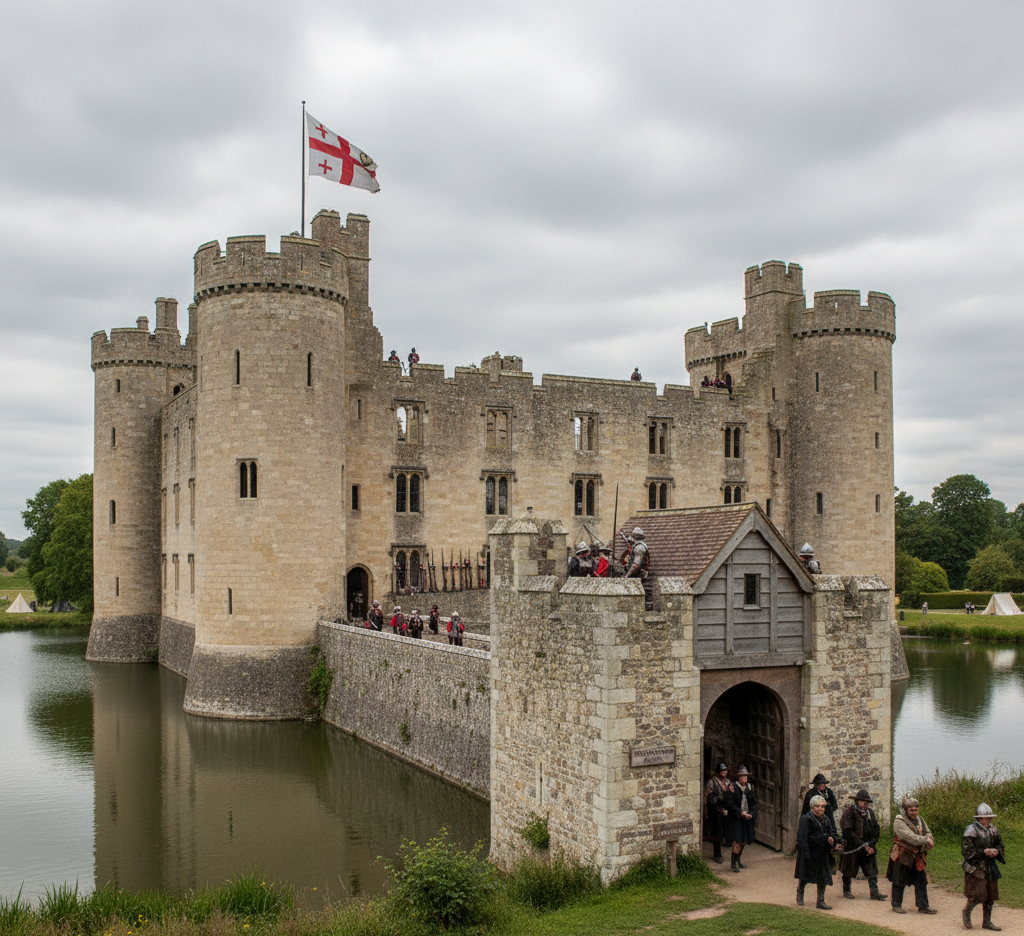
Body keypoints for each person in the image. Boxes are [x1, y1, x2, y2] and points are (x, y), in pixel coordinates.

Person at [886, 796, 936, 914]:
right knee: (899, 880)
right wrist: (925, 840)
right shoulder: (899, 821)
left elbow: (928, 832)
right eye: (911, 810)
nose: (914, 812)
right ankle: (896, 905)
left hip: (917, 855)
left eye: (916, 810)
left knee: (921, 880)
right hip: (902, 854)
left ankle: (923, 905)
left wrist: (929, 839)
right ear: (905, 810)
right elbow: (907, 836)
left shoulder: (920, 820)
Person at [962, 802, 1005, 930]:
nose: (987, 820)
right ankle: (966, 912)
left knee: (990, 895)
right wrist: (984, 852)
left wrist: (996, 852)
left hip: (990, 866)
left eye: (988, 818)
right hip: (975, 866)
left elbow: (999, 845)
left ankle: (986, 922)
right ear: (979, 818)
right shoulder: (971, 830)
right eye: (984, 818)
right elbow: (966, 850)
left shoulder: (993, 829)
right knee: (977, 894)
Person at [839, 790, 886, 901]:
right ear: (857, 801)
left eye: (866, 802)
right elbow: (847, 831)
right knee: (848, 870)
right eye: (862, 801)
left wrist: (871, 844)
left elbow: (876, 829)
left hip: (868, 847)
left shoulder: (870, 813)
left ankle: (874, 893)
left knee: (872, 870)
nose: (865, 803)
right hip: (852, 846)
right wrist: (861, 845)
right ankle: (847, 890)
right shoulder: (849, 812)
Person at [795, 794, 837, 909]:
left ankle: (820, 901)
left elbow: (830, 832)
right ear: (813, 807)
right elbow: (802, 838)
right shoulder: (806, 819)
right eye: (818, 806)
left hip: (822, 852)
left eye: (822, 807)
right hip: (809, 852)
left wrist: (831, 838)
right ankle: (800, 890)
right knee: (805, 876)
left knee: (823, 877)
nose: (820, 809)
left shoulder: (826, 819)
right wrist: (806, 854)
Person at [726, 766, 757, 872]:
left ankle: (738, 860)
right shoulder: (733, 787)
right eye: (743, 777)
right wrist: (740, 813)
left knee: (743, 841)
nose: (745, 779)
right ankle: (733, 863)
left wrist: (751, 814)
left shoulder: (749, 788)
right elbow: (730, 804)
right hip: (736, 819)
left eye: (746, 777)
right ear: (739, 777)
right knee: (737, 841)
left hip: (746, 819)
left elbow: (753, 803)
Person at [704, 762, 732, 864]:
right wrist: (707, 813)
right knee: (717, 833)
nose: (723, 772)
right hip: (715, 811)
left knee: (725, 831)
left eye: (725, 770)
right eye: (721, 770)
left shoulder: (729, 782)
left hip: (726, 811)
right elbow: (707, 798)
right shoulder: (712, 782)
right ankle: (717, 854)